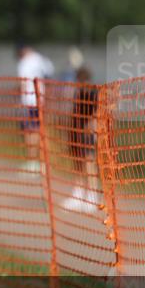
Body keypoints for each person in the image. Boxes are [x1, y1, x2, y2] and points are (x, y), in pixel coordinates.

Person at [60, 67, 100, 213]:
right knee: (77, 162)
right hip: (76, 130)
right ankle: (78, 193)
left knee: (89, 162)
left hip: (88, 132)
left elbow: (97, 112)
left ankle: (92, 196)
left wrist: (93, 126)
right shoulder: (77, 93)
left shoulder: (93, 92)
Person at [16, 42, 54, 174]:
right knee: (40, 130)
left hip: (29, 100)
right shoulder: (41, 59)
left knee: (29, 131)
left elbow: (23, 82)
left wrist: (20, 100)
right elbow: (49, 75)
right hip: (40, 99)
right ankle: (44, 162)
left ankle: (32, 162)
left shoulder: (24, 62)